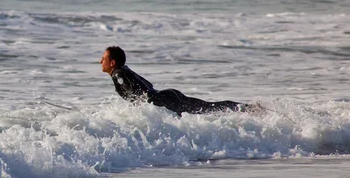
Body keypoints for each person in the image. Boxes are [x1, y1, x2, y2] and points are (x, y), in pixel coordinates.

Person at [100, 46, 246, 116]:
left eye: (104, 58)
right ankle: (246, 108)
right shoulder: (125, 70)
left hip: (165, 100)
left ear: (112, 62)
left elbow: (137, 93)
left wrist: (140, 109)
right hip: (167, 95)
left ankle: (245, 109)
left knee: (207, 109)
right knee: (208, 107)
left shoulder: (118, 74)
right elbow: (148, 86)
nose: (100, 61)